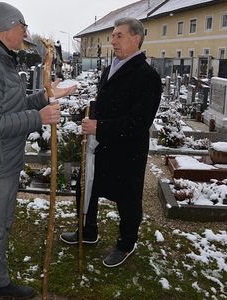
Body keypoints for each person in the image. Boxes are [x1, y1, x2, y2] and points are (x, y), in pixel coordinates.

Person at [0, 2, 76, 299]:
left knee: (3, 227)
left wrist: (44, 95)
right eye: (23, 27)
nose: (25, 32)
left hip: (4, 160)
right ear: (8, 27)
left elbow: (10, 102)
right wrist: (39, 118)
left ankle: (1, 283)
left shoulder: (0, 60)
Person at [60, 17, 162, 268]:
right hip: (102, 144)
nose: (112, 40)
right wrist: (89, 116)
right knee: (88, 188)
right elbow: (108, 102)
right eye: (113, 35)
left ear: (136, 39)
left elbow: (140, 121)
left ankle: (127, 244)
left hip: (126, 150)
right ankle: (88, 230)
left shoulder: (147, 75)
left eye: (119, 36)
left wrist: (100, 127)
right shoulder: (111, 67)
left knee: (128, 198)